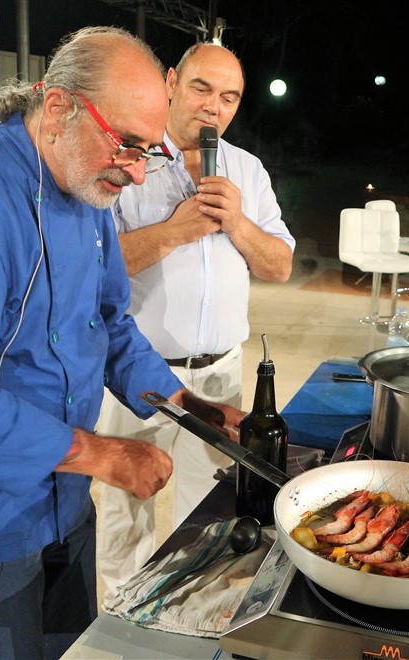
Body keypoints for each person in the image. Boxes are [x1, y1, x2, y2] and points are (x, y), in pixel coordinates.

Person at [0, 26, 244, 660]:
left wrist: (186, 404)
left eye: (148, 151)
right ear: (57, 107)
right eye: (127, 144)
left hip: (61, 502)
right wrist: (101, 453)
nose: (136, 171)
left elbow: (109, 324)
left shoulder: (86, 186)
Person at [95, 42, 295, 599]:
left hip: (219, 378)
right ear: (171, 82)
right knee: (126, 510)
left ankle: (193, 611)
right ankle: (123, 615)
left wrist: (238, 223)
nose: (214, 106)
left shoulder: (247, 170)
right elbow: (92, 264)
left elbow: (279, 265)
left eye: (229, 97)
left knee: (210, 508)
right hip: (137, 376)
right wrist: (174, 231)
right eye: (202, 88)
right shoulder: (126, 158)